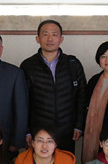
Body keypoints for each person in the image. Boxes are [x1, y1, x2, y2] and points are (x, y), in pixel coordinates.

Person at [20, 19, 87, 154]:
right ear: (37, 39)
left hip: (67, 130)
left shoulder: (72, 64)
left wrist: (79, 126)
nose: (50, 39)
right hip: (39, 133)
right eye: (45, 34)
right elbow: (22, 101)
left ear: (61, 39)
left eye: (54, 34)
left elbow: (82, 96)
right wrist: (26, 131)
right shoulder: (28, 65)